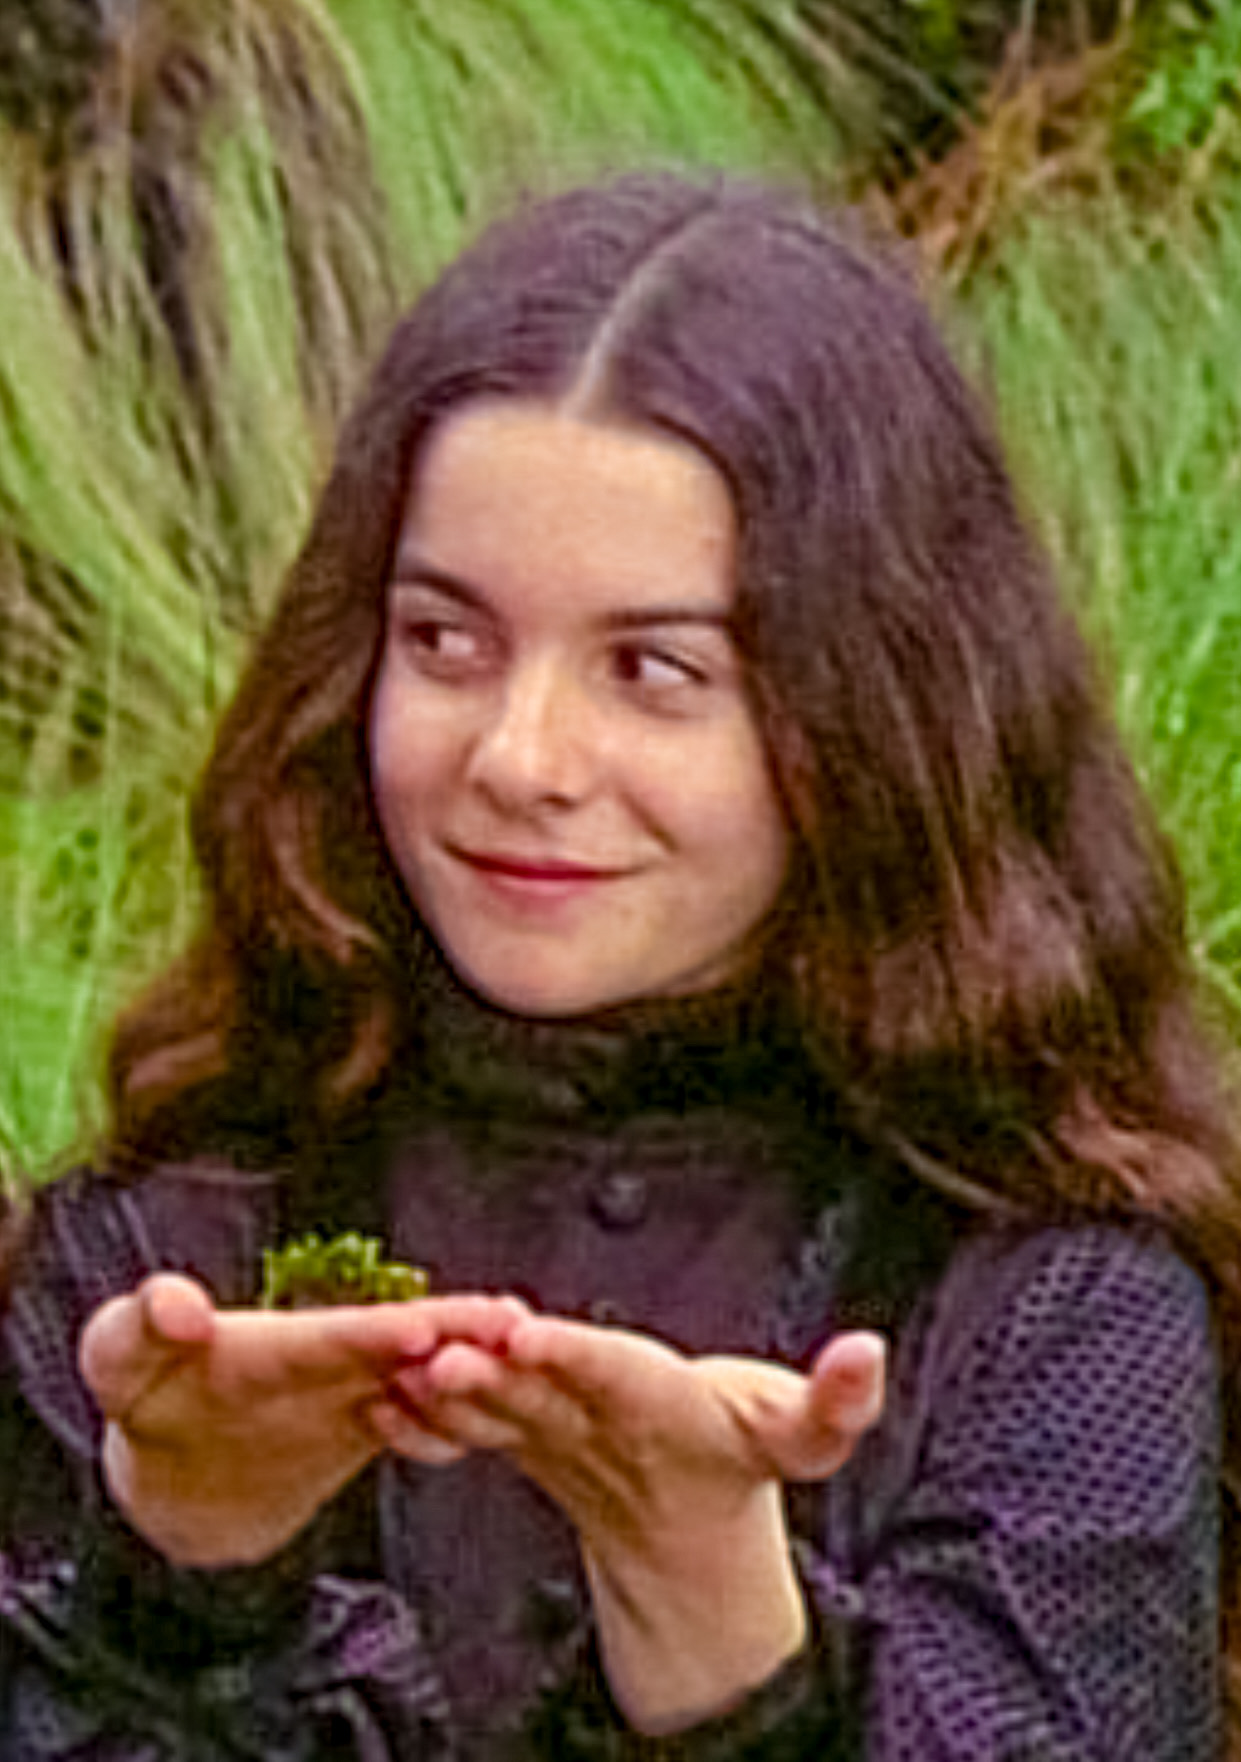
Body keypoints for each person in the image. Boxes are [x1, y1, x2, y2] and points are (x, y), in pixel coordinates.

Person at [0, 170, 1237, 1761]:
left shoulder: (1054, 1299)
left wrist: (714, 1619)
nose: (519, 757)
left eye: (651, 669)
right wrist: (185, 1575)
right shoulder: (167, 1253)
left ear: (877, 711)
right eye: (445, 641)